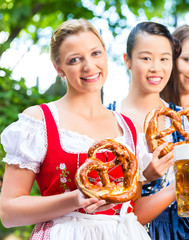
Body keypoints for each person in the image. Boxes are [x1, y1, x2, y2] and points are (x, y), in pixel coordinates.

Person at [0, 19, 150, 239]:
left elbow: (133, 206)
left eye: (95, 53)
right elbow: (8, 213)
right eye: (75, 60)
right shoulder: (40, 121)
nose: (89, 66)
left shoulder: (129, 127)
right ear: (58, 68)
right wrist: (74, 200)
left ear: (106, 54)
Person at [120, 21, 189, 240]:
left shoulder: (188, 120)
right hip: (126, 230)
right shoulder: (108, 116)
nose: (156, 68)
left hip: (187, 231)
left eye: (164, 59)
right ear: (127, 60)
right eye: (146, 58)